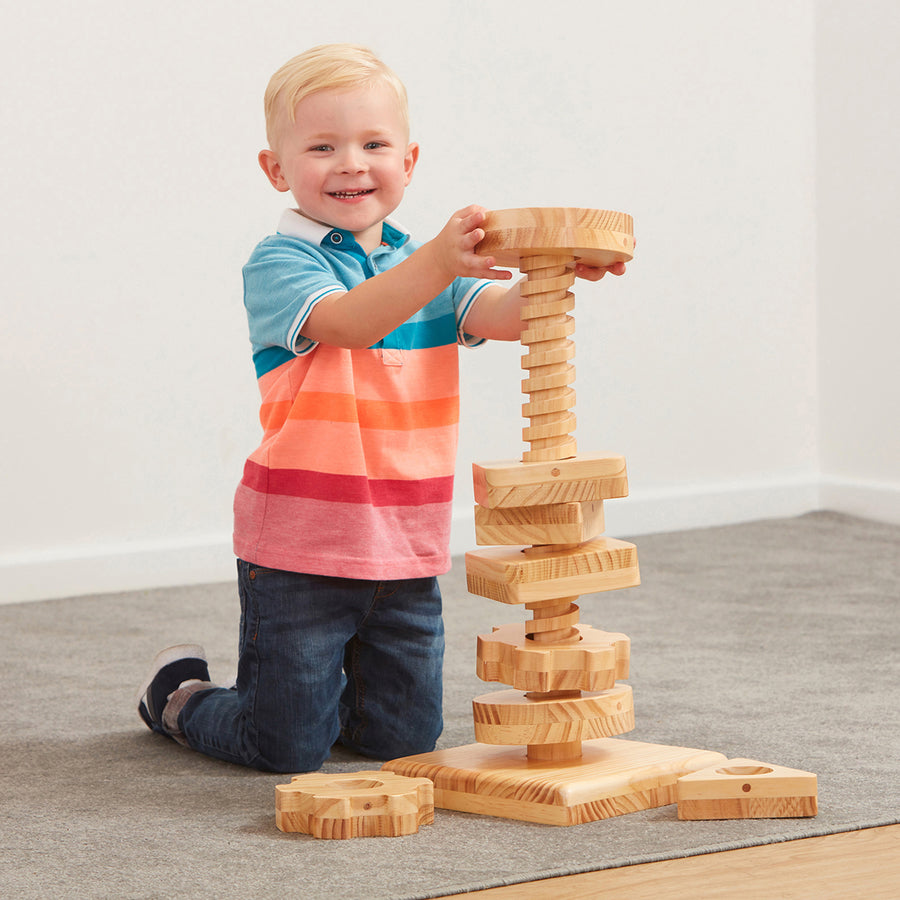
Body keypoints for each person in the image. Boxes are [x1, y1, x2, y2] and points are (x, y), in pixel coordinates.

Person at [136, 43, 625, 773]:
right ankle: (182, 698)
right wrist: (437, 262)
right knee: (286, 749)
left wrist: (560, 271)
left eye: (373, 144)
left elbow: (509, 313)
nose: (351, 164)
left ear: (410, 160)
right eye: (322, 146)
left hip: (404, 539)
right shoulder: (282, 262)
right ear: (277, 169)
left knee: (401, 739)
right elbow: (349, 322)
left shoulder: (425, 267)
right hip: (301, 545)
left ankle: (308, 699)